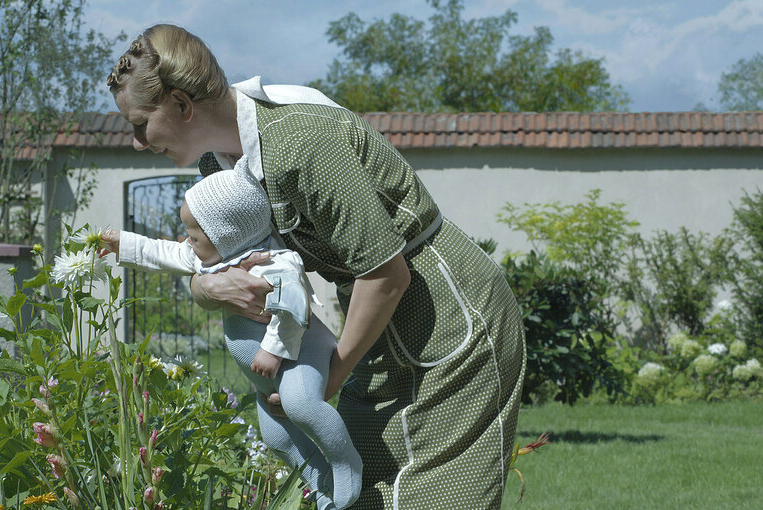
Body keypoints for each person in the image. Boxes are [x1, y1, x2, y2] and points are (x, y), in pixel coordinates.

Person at [106, 24, 526, 509]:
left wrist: (327, 380)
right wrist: (208, 291)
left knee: (436, 495)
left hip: (449, 316)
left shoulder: (303, 144)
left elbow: (387, 275)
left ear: (181, 105)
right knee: (366, 490)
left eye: (140, 123)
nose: (137, 142)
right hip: (373, 321)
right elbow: (208, 261)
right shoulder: (217, 169)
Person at [101, 167, 362, 509]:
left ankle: (346, 465)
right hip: (266, 378)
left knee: (301, 405)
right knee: (276, 437)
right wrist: (122, 243)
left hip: (298, 357)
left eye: (194, 235)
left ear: (226, 234)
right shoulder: (212, 259)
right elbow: (163, 252)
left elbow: (294, 307)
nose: (186, 241)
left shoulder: (275, 262)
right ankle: (319, 482)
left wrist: (272, 351)